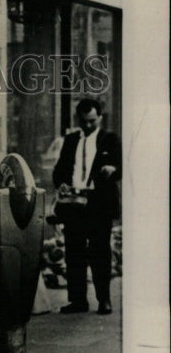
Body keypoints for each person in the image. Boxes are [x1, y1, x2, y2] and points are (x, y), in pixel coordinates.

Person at [52, 98, 122, 314]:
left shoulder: (110, 139)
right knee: (74, 253)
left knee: (100, 252)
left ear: (100, 117)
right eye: (84, 122)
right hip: (75, 203)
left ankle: (104, 300)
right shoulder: (71, 139)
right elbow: (60, 170)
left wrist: (113, 170)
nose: (88, 126)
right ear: (78, 119)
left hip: (99, 203)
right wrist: (62, 183)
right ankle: (78, 300)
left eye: (92, 121)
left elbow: (123, 166)